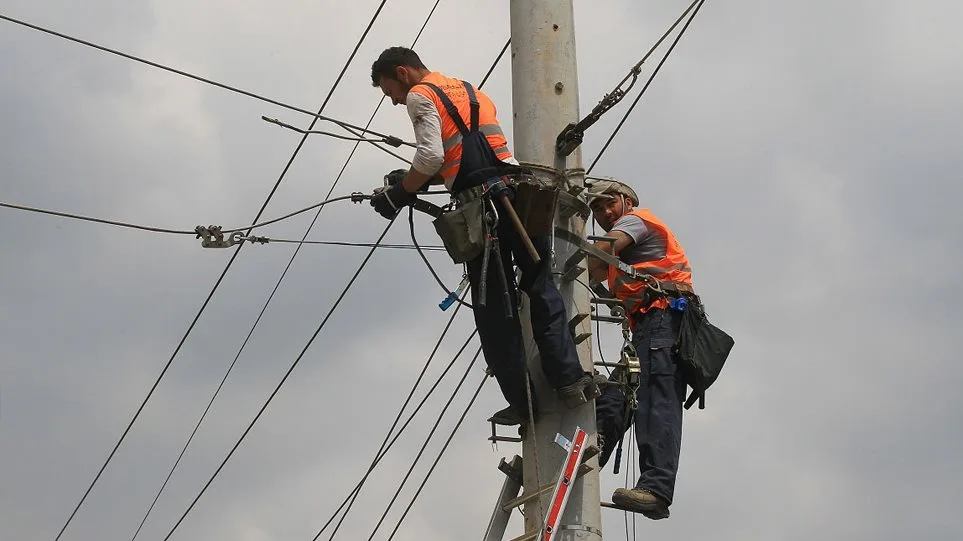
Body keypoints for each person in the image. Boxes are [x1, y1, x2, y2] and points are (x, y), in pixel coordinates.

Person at [368, 47, 601, 426]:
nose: (394, 101)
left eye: (389, 91)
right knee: (541, 285)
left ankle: (524, 402)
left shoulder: (419, 95)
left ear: (403, 73)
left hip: (482, 210)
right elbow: (462, 151)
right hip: (518, 196)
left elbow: (429, 158)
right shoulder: (470, 90)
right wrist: (413, 183)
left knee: (494, 307)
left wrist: (399, 194)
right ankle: (570, 379)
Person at [587, 178, 694, 520]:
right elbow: (588, 275)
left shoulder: (633, 222)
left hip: (664, 319)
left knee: (656, 399)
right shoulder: (621, 246)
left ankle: (656, 489)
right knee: (617, 396)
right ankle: (590, 455)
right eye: (596, 209)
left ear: (626, 200)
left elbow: (596, 258)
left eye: (609, 203)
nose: (604, 212)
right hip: (648, 326)